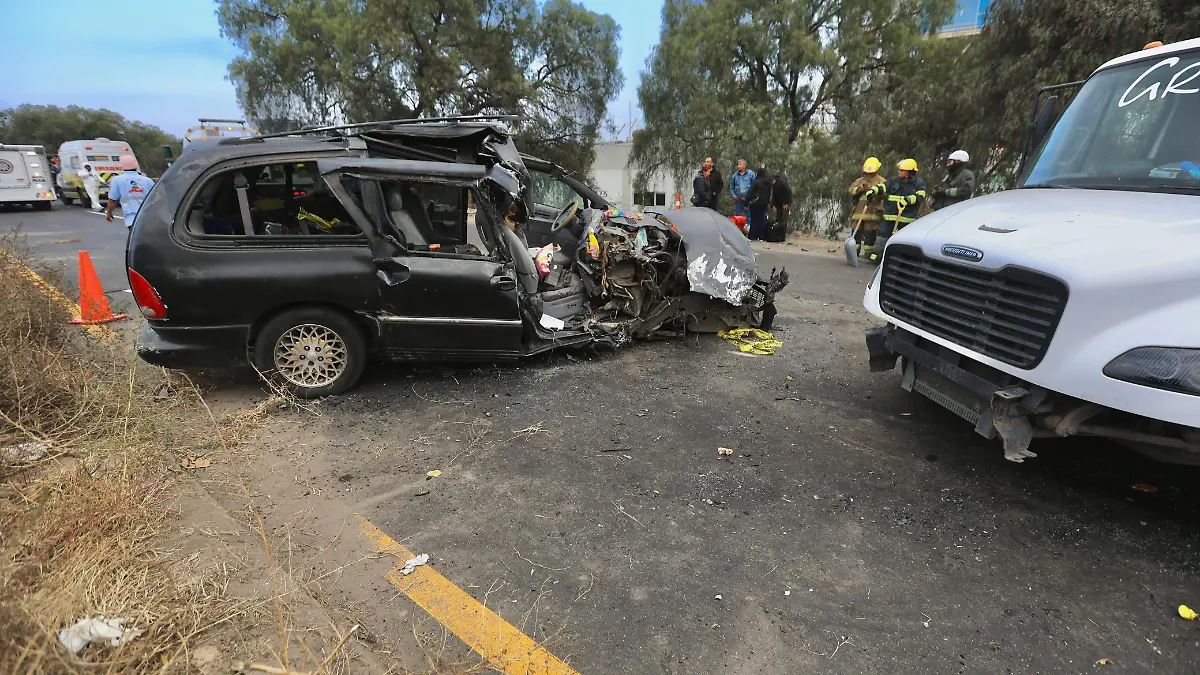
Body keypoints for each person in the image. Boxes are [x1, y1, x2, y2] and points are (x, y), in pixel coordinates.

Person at [863, 158, 926, 264]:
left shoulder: (918, 183)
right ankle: (877, 258)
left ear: (909, 172)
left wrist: (908, 200)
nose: (899, 172)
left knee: (904, 241)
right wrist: (873, 191)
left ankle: (902, 262)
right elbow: (883, 186)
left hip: (906, 218)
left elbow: (921, 195)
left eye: (902, 170)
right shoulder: (893, 181)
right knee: (882, 237)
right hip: (889, 216)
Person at [847, 157, 887, 257]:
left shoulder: (882, 181)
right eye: (867, 172)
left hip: (873, 214)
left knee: (870, 235)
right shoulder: (860, 181)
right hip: (858, 213)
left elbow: (886, 194)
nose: (869, 174)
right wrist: (859, 189)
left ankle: (868, 255)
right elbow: (850, 190)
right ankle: (854, 254)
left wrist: (873, 190)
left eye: (871, 172)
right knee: (855, 235)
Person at [106, 155, 156, 227]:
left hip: (132, 218)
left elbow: (112, 200)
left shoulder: (118, 180)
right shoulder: (148, 180)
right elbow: (156, 198)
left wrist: (109, 213)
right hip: (149, 217)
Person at [745, 166, 772, 241]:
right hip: (764, 203)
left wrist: (746, 202)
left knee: (754, 219)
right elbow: (769, 194)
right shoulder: (768, 183)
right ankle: (761, 237)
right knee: (761, 219)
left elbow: (750, 192)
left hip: (755, 203)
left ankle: (752, 236)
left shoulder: (756, 181)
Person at [768, 173, 791, 242]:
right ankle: (777, 234)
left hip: (785, 202)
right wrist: (773, 205)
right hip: (779, 203)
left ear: (774, 180)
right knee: (778, 218)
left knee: (784, 218)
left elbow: (787, 192)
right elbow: (774, 196)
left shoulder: (782, 183)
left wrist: (785, 202)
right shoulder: (774, 185)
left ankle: (782, 235)